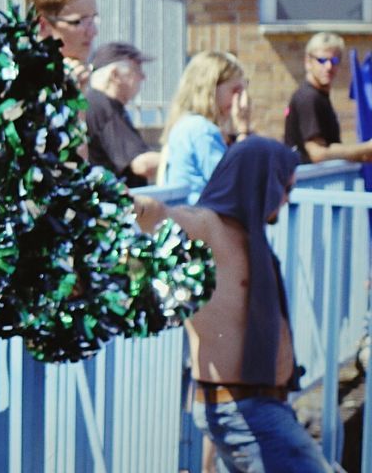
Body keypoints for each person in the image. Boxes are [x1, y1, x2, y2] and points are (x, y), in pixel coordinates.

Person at [135, 138, 331, 472]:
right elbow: (163, 216)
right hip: (242, 407)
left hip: (260, 404)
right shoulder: (210, 226)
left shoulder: (248, 234)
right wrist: (135, 205)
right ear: (261, 182)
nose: (286, 200)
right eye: (284, 188)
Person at [160, 51, 251, 203]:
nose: (242, 100)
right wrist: (243, 130)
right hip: (198, 220)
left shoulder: (186, 124)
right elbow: (235, 184)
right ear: (211, 88)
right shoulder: (201, 130)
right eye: (235, 90)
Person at [283, 32, 372, 163]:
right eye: (322, 60)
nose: (329, 67)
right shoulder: (308, 98)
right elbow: (317, 154)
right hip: (307, 181)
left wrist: (363, 154)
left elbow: (331, 147)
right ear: (308, 61)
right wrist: (366, 148)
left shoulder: (320, 96)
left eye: (334, 60)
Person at [85, 42, 160, 186]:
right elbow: (142, 164)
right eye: (136, 69)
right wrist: (184, 156)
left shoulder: (95, 102)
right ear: (115, 75)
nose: (143, 77)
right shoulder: (104, 106)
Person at [23, 0, 100, 87]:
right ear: (43, 25)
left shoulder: (76, 77)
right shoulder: (18, 83)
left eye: (93, 20)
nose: (93, 31)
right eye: (79, 21)